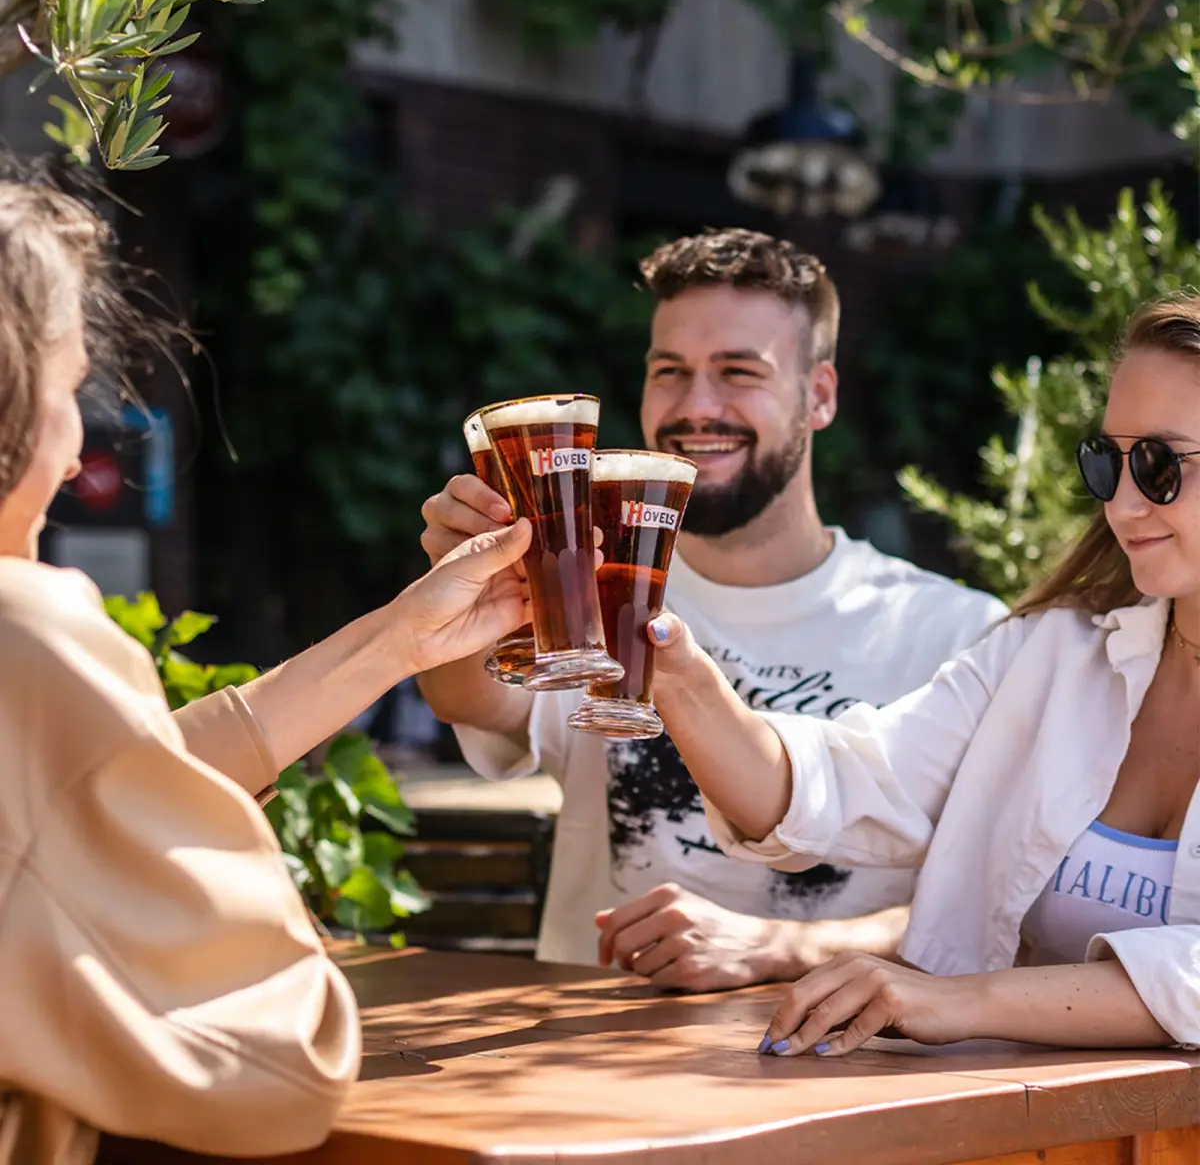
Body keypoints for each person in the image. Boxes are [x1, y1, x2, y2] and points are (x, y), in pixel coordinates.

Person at [0, 176, 533, 1162]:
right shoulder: (25, 628)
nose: (79, 453)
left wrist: (402, 640)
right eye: (69, 393)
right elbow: (280, 1067)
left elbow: (80, 796)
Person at [417, 229, 1006, 990]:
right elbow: (465, 697)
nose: (697, 407)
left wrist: (782, 946)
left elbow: (994, 904)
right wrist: (459, 581)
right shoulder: (590, 586)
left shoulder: (957, 633)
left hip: (844, 1075)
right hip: (589, 1053)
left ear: (819, 395)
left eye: (737, 372)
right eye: (670, 372)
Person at [646, 291, 1200, 1053]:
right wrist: (674, 669)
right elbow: (851, 786)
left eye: (1161, 466)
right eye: (1109, 462)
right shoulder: (1054, 652)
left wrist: (962, 1001)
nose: (1124, 504)